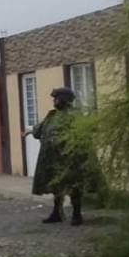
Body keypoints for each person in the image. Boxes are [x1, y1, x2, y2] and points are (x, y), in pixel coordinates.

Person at [29, 87, 95, 226]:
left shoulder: (74, 115)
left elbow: (82, 134)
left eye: (56, 98)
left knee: (74, 186)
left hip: (71, 158)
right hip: (53, 159)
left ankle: (76, 214)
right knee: (56, 186)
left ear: (64, 99)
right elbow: (38, 132)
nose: (54, 101)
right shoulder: (52, 116)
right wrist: (31, 131)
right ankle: (57, 212)